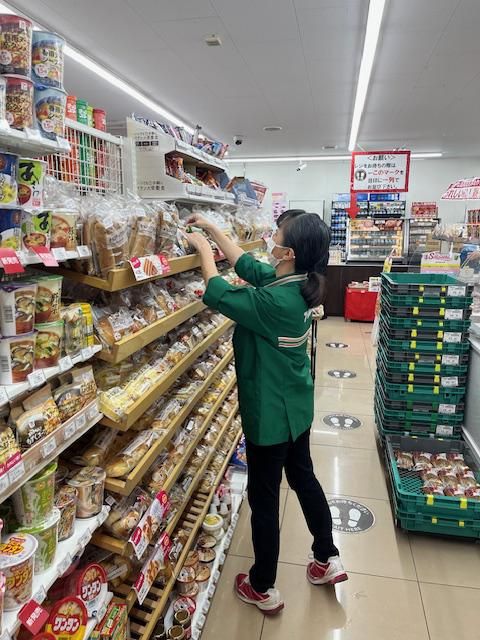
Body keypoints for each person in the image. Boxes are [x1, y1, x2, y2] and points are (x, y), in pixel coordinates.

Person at [184, 211, 346, 616]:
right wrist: (213, 229)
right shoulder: (298, 283)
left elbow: (218, 292)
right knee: (304, 478)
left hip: (270, 412)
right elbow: (247, 265)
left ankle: (262, 586)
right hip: (296, 405)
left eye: (276, 235)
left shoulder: (275, 301)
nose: (270, 237)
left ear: (288, 252)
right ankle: (326, 557)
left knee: (264, 497)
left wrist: (202, 250)